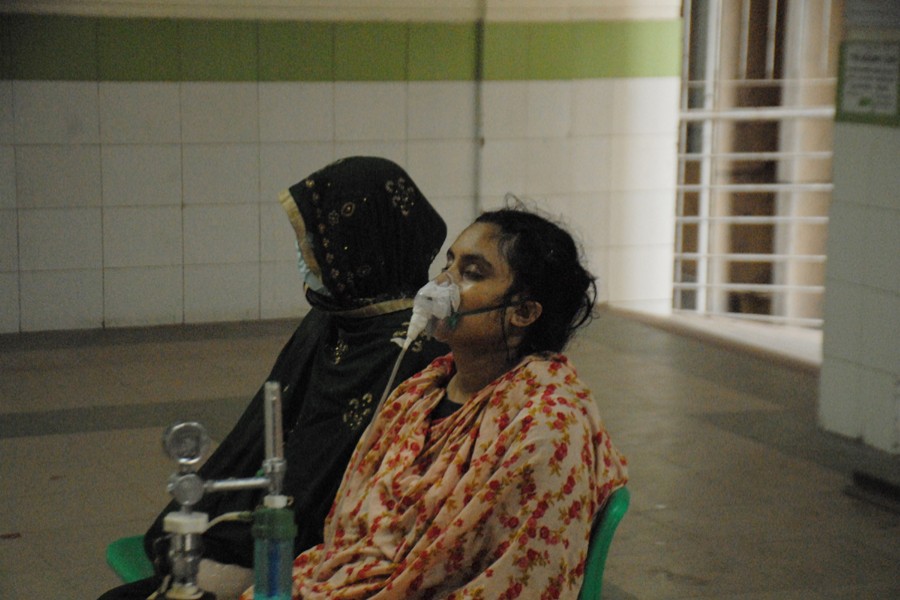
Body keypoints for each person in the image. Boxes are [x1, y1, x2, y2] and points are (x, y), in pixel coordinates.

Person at [99, 156, 448, 600]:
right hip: (266, 517)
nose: (308, 260)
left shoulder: (410, 350)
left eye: (317, 245)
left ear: (359, 247)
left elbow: (347, 491)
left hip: (306, 549)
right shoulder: (334, 317)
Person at [241, 204, 628, 599]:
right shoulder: (420, 391)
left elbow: (516, 579)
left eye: (472, 273)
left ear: (524, 313)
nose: (442, 284)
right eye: (449, 264)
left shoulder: (547, 428)